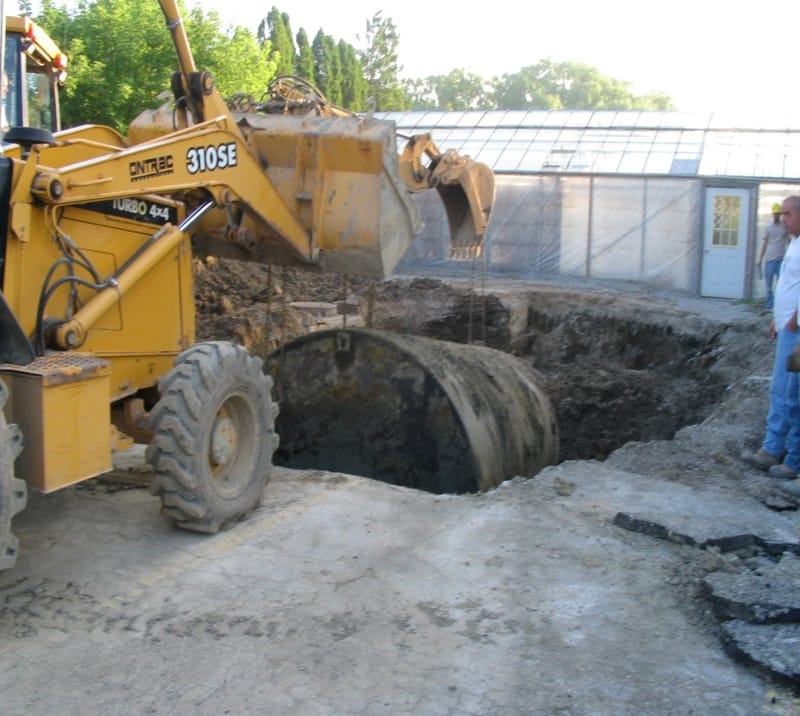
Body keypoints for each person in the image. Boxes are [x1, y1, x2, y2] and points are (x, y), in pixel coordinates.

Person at [741, 195, 800, 478]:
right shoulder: (795, 243)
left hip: (798, 332)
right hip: (787, 330)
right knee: (779, 391)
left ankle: (794, 462)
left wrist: (794, 318)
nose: (783, 218)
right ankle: (771, 449)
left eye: (788, 214)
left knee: (794, 395)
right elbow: (791, 284)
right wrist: (778, 319)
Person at [757, 203, 789, 310]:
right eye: (775, 213)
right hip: (770, 260)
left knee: (781, 285)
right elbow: (765, 244)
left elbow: (789, 242)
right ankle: (769, 306)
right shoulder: (768, 228)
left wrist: (789, 258)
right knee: (769, 285)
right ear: (772, 214)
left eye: (778, 214)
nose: (776, 215)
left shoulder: (784, 228)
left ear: (780, 214)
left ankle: (779, 305)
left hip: (781, 260)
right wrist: (760, 259)